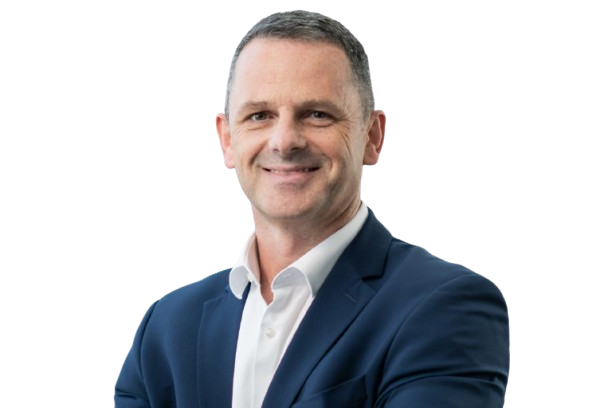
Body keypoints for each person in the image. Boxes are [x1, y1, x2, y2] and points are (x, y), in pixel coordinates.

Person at [115, 10, 509, 408]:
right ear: (228, 140)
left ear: (372, 137)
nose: (284, 141)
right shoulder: (166, 329)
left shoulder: (445, 307)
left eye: (317, 114)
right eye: (259, 116)